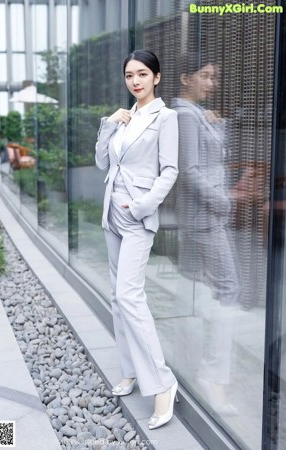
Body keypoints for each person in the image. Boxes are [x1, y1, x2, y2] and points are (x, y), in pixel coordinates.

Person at [95, 49, 179, 429]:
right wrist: (108, 124)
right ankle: (130, 369)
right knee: (117, 295)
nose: (136, 81)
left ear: (156, 77)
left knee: (130, 295)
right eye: (130, 75)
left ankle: (162, 383)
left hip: (136, 216)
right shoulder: (124, 117)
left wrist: (141, 206)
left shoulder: (166, 117)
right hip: (111, 214)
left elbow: (170, 171)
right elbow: (102, 162)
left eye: (143, 74)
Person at [172, 54, 240, 415]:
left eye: (215, 77)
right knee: (229, 289)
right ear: (186, 78)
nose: (212, 83)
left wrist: (217, 125)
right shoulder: (185, 114)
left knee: (192, 285)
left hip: (203, 216)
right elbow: (190, 172)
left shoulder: (195, 114)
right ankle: (214, 378)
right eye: (206, 76)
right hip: (205, 218)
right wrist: (225, 203)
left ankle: (185, 362)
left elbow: (213, 157)